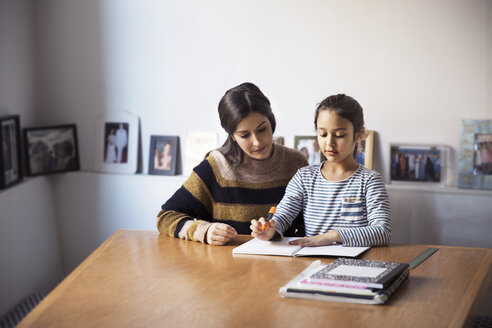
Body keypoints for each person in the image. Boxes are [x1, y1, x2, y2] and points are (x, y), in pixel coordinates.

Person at [157, 82, 308, 245]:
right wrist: (204, 230)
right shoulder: (216, 166)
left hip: (284, 265)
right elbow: (166, 216)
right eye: (244, 135)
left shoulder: (296, 162)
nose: (257, 142)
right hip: (228, 266)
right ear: (232, 136)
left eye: (262, 129)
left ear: (271, 121)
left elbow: (308, 224)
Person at [251, 94, 392, 247]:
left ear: (358, 135)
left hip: (356, 265)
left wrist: (333, 236)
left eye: (339, 135)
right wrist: (270, 230)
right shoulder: (304, 177)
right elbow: (283, 216)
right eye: (323, 134)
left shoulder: (369, 181)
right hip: (314, 263)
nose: (329, 143)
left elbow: (382, 231)